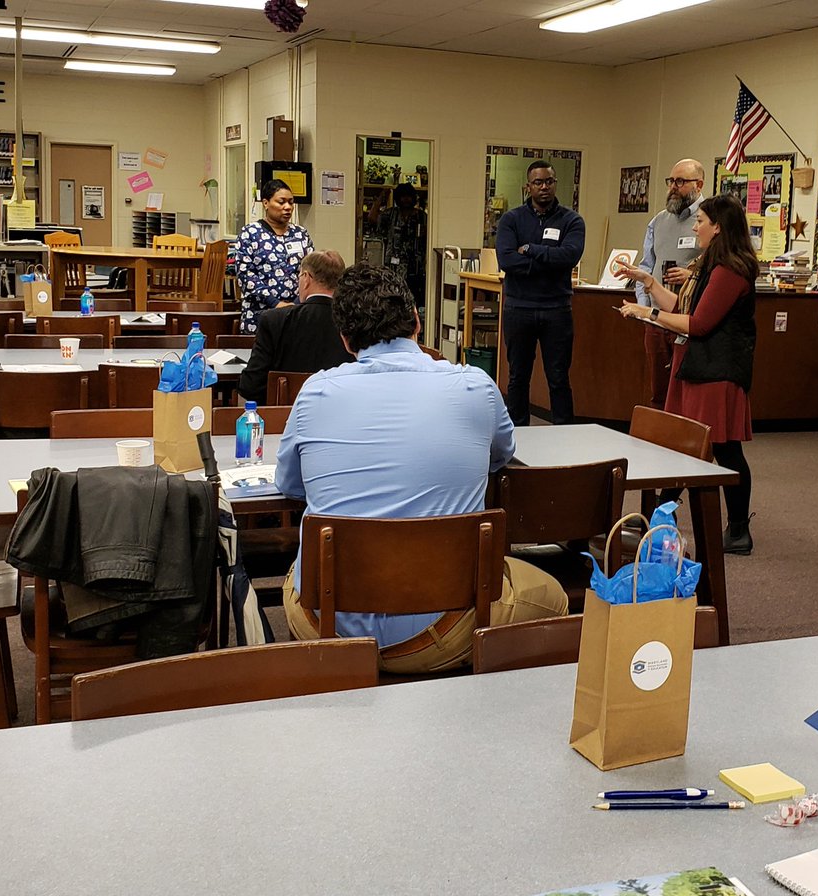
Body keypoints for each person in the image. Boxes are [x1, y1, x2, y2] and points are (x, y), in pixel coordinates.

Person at [274, 264, 568, 674]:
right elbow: (501, 455)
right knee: (554, 597)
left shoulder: (315, 392)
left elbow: (290, 485)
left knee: (300, 569)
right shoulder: (476, 387)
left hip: (328, 625)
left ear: (346, 340)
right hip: (445, 626)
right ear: (416, 320)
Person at [617, 194, 758, 556]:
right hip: (696, 366)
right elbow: (682, 307)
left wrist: (646, 314)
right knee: (684, 445)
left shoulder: (730, 271)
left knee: (724, 450)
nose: (695, 227)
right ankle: (659, 517)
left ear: (718, 227)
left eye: (701, 221)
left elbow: (698, 324)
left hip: (716, 372)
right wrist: (649, 284)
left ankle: (738, 529)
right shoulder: (709, 264)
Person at [495, 159, 585, 426]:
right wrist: (550, 262)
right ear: (528, 186)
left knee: (558, 378)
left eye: (549, 182)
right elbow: (507, 260)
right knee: (517, 376)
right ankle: (517, 434)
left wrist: (532, 250)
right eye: (538, 182)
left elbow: (569, 256)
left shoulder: (572, 220)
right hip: (518, 309)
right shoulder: (511, 219)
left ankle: (564, 435)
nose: (544, 187)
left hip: (556, 310)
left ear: (555, 184)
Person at [237, 249, 351, 405]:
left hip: (283, 415)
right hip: (339, 411)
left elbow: (251, 386)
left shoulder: (273, 320)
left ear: (306, 278)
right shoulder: (353, 321)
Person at [636, 159, 705, 409]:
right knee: (658, 392)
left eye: (681, 181)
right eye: (671, 181)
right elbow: (646, 265)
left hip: (688, 320)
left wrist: (692, 277)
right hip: (657, 319)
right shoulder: (658, 221)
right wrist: (644, 308)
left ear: (699, 185)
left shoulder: (709, 219)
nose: (673, 187)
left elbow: (723, 267)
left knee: (685, 394)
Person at [233, 178, 314, 338]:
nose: (288, 207)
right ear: (265, 203)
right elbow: (245, 275)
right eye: (281, 202)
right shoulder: (250, 233)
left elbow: (312, 270)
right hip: (260, 315)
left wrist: (296, 303)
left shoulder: (300, 234)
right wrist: (275, 303)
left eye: (291, 202)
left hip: (296, 313)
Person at [367, 181, 427, 307]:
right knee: (392, 300)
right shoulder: (391, 214)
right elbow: (372, 218)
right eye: (403, 196)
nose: (406, 199)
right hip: (393, 266)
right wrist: (382, 197)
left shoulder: (422, 216)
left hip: (416, 268)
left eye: (408, 196)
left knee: (414, 301)